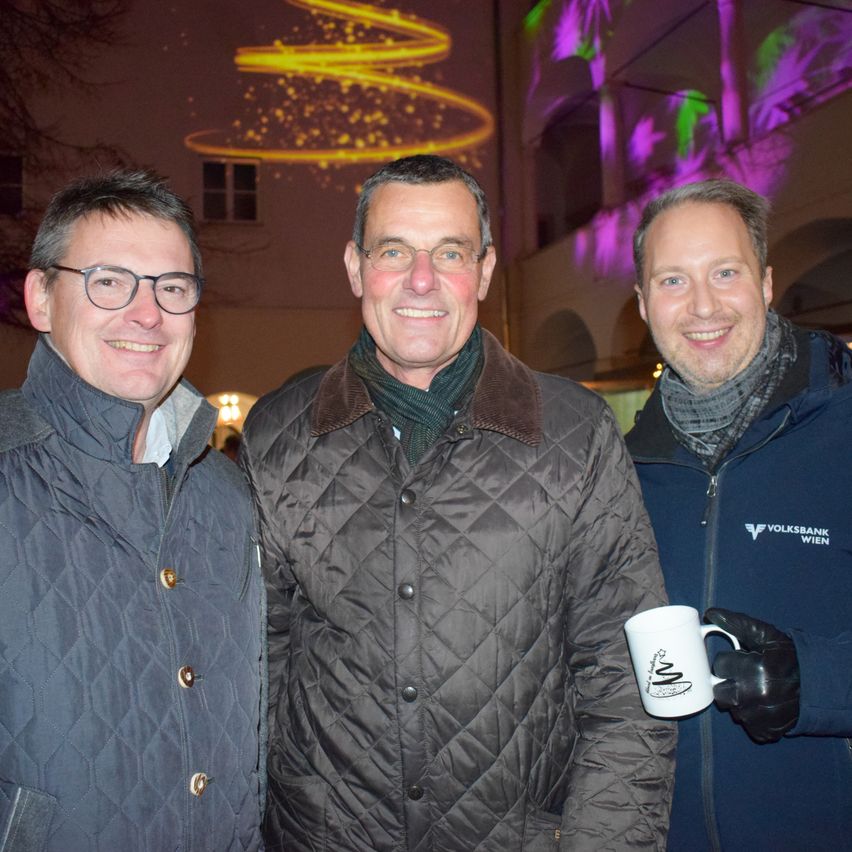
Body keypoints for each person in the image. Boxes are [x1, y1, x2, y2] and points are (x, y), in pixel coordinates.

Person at [240, 154, 675, 851]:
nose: (421, 279)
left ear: (485, 269)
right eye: (394, 251)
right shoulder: (279, 434)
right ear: (355, 267)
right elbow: (254, 670)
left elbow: (627, 682)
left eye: (450, 252)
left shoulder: (573, 433)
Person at [0, 170, 265, 850]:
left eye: (172, 289)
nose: (147, 314)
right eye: (108, 281)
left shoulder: (228, 498)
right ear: (40, 298)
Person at [626, 178, 852, 850]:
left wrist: (812, 682)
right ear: (642, 304)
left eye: (725, 272)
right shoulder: (621, 471)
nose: (702, 306)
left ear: (766, 282)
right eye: (672, 281)